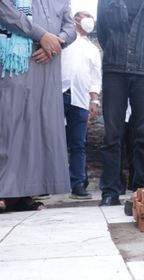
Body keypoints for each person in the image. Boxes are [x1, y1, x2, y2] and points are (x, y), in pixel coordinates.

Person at [0, 0, 76, 212]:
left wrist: (57, 43)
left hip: (46, 66)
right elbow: (6, 11)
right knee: (9, 126)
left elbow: (70, 26)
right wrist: (41, 36)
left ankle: (25, 194)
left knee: (36, 129)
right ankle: (4, 192)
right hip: (15, 63)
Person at [96, 0, 144, 206]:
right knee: (112, 135)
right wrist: (116, 50)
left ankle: (143, 189)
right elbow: (102, 33)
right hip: (114, 70)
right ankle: (110, 191)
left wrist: (143, 54)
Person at [61, 11, 101, 200]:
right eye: (84, 16)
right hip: (57, 96)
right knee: (51, 141)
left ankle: (77, 184)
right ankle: (45, 184)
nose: (88, 19)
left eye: (89, 16)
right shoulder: (63, 40)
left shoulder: (92, 49)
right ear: (75, 20)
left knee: (79, 144)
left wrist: (94, 100)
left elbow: (95, 77)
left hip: (80, 99)